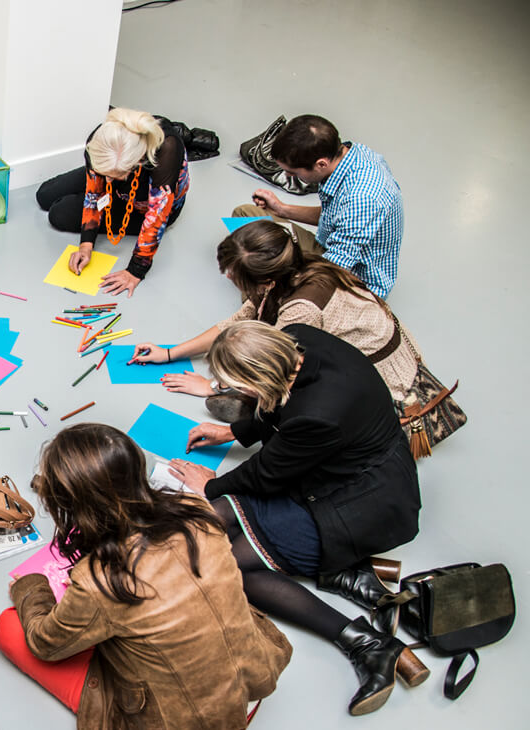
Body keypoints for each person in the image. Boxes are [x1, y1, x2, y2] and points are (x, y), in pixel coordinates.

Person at [168, 322, 428, 716]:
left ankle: (368, 644)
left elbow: (265, 475)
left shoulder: (318, 415)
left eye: (237, 386)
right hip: (325, 473)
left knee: (231, 565)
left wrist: (211, 485)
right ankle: (344, 575)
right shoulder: (296, 339)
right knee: (217, 519)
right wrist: (233, 432)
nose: (233, 393)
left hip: (355, 503)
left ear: (258, 377)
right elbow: (274, 406)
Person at [0, 424, 291, 729]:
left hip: (189, 720)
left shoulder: (101, 581)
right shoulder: (196, 508)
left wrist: (31, 587)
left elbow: (46, 644)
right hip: (254, 676)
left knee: (7, 627)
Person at [133, 219, 425, 422]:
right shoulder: (289, 268)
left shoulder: (301, 310)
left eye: (233, 276)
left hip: (385, 386)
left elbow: (273, 365)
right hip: (354, 358)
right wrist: (171, 353)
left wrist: (212, 386)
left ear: (265, 281)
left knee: (278, 406)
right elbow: (237, 320)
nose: (226, 278)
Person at [238, 114, 403, 299]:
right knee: (244, 214)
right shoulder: (351, 155)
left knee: (260, 296)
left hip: (349, 280)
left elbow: (333, 269)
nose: (288, 177)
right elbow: (334, 216)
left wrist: (277, 281)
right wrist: (281, 209)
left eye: (293, 172)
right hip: (329, 250)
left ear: (320, 164)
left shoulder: (363, 198)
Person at [35, 108, 189, 297]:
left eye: (115, 176)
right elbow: (95, 190)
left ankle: (112, 177)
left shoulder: (167, 149)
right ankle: (109, 174)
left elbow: (157, 216)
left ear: (136, 162)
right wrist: (86, 245)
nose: (108, 182)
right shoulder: (100, 140)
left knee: (59, 213)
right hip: (115, 176)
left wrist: (136, 270)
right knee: (44, 195)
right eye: (105, 176)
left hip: (146, 204)